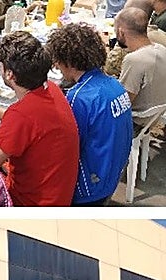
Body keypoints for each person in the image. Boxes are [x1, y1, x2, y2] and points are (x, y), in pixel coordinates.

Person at [0, 31, 80, 206]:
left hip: (30, 204)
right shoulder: (51, 88)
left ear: (10, 74)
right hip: (58, 195)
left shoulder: (21, 114)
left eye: (1, 65)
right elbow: (30, 127)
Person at [45, 23, 134, 205]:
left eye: (57, 61)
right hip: (111, 174)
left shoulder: (79, 98)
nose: (56, 66)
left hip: (88, 185)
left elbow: (67, 147)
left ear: (68, 61)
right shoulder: (115, 85)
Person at [117, 7, 166, 114]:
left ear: (121, 32)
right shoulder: (162, 49)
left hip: (138, 119)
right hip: (158, 115)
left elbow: (123, 102)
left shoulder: (134, 60)